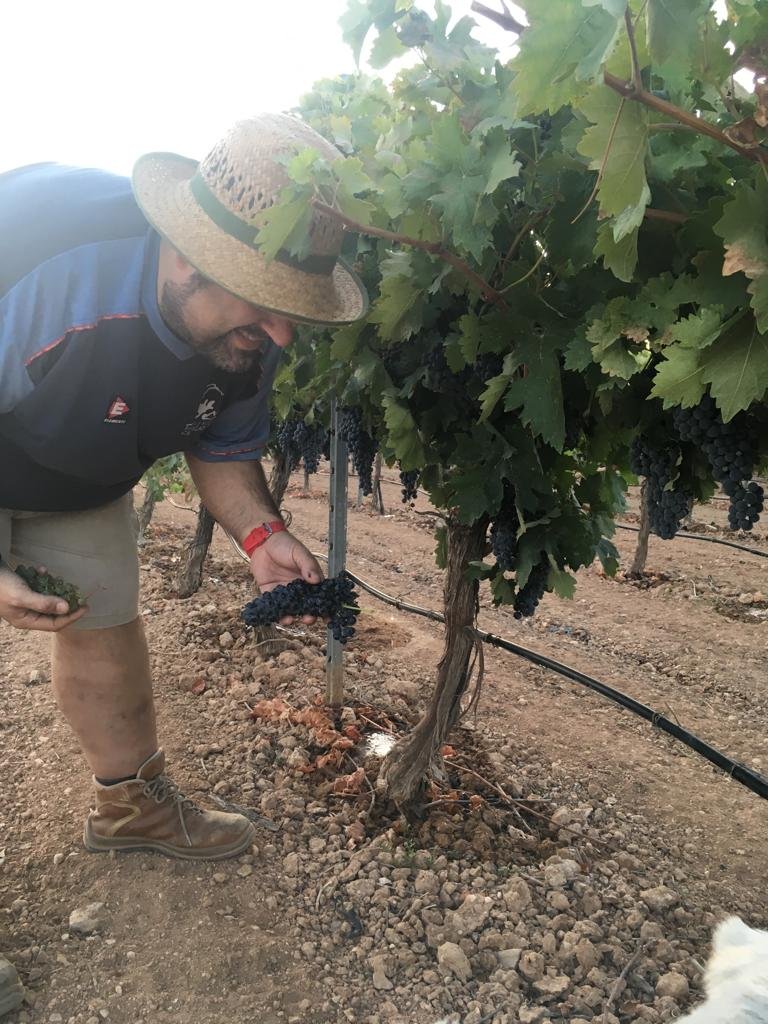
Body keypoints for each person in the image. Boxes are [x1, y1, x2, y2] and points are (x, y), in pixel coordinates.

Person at [0, 113, 369, 864]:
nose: (282, 334)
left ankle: (130, 810)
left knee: (106, 628)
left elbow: (222, 446)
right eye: (263, 300)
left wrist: (262, 538)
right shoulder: (45, 262)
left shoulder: (249, 336)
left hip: (77, 468)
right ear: (186, 260)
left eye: (290, 306)